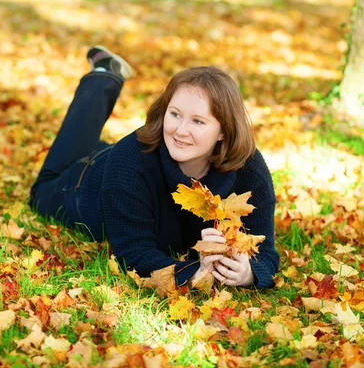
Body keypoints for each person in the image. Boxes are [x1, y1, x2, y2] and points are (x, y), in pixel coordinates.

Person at [29, 46, 279, 289]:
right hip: (91, 182)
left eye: (198, 121)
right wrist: (195, 274)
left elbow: (265, 250)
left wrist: (249, 274)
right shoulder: (128, 162)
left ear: (223, 131)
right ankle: (103, 77)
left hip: (134, 164)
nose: (180, 130)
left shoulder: (248, 168)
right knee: (41, 192)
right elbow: (133, 254)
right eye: (175, 114)